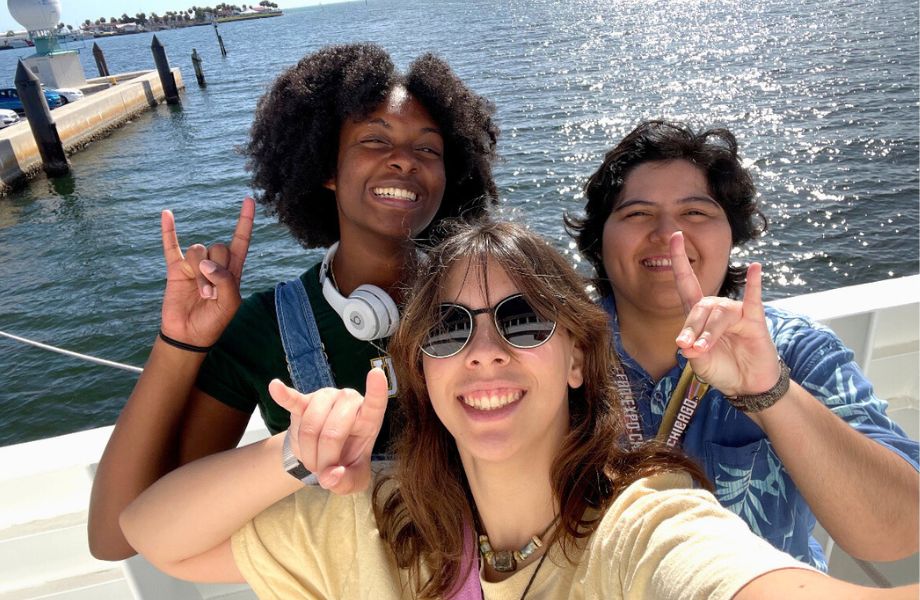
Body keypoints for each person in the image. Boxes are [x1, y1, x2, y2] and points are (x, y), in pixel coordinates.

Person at [119, 219, 918, 599]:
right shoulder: (378, 519)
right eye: (448, 328)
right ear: (422, 375)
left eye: (524, 320)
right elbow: (154, 536)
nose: (486, 349)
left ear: (576, 356)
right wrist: (292, 453)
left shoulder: (644, 530)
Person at [88, 42, 499, 560]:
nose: (404, 160)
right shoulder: (266, 328)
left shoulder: (490, 301)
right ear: (326, 169)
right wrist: (180, 342)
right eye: (375, 140)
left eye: (429, 149)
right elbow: (116, 537)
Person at [566, 120, 919, 569]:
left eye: (696, 213)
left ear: (733, 235)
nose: (668, 233)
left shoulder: (795, 349)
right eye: (637, 213)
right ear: (599, 239)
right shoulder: (556, 352)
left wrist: (769, 392)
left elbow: (900, 531)